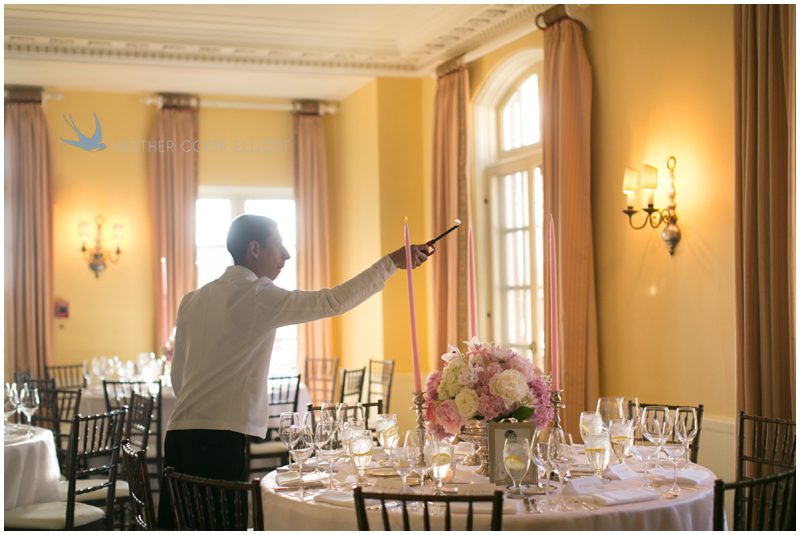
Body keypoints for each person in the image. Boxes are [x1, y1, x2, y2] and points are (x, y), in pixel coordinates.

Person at [157, 214, 431, 528]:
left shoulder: (191, 300)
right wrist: (391, 263)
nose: (286, 254)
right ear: (255, 249)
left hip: (177, 437)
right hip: (220, 443)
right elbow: (332, 301)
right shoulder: (258, 294)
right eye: (279, 245)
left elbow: (178, 375)